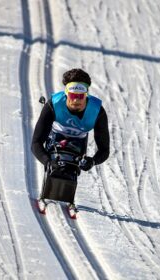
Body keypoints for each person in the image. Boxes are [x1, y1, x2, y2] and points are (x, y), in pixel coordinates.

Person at [31, 68, 110, 214]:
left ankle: (69, 197)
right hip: (55, 136)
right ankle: (46, 191)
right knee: (55, 163)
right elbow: (36, 143)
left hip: (79, 140)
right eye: (73, 95)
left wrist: (92, 161)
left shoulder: (97, 111)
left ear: (86, 95)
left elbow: (104, 150)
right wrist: (47, 161)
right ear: (67, 94)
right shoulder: (53, 105)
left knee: (73, 165)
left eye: (81, 96)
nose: (76, 100)